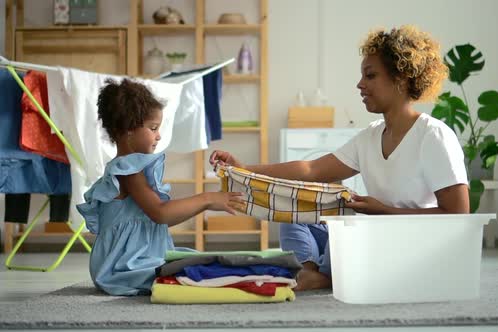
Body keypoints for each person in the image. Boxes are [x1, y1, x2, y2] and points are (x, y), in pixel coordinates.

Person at [209, 25, 469, 291]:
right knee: (291, 212)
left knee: (348, 228)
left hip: (409, 247)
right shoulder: (370, 136)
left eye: (370, 75)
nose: (360, 84)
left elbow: (458, 216)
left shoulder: (433, 135)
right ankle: (312, 272)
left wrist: (384, 212)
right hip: (373, 235)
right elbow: (310, 169)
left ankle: (324, 275)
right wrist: (244, 169)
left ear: (400, 79)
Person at [77, 78, 243, 296]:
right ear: (127, 130)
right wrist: (208, 199)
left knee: (201, 261)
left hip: (138, 258)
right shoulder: (128, 170)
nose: (159, 135)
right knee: (203, 270)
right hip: (124, 266)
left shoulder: (131, 169)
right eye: (153, 128)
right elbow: (160, 213)